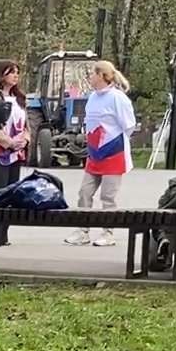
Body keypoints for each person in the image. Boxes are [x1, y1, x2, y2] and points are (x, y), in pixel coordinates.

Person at [66, 60, 135, 247]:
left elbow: (128, 125)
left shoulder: (117, 98)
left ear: (102, 76)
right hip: (94, 154)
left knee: (108, 195)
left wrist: (113, 142)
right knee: (84, 192)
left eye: (92, 74)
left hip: (113, 154)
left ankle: (108, 232)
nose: (90, 77)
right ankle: (82, 230)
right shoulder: (93, 97)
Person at [0, 60, 30, 247]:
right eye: (11, 72)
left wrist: (24, 140)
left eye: (17, 72)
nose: (16, 75)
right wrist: (8, 142)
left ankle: (3, 235)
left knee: (11, 194)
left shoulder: (20, 99)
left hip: (16, 153)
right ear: (1, 74)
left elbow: (27, 125)